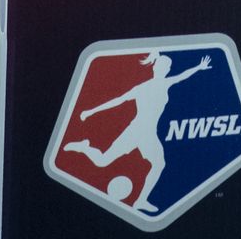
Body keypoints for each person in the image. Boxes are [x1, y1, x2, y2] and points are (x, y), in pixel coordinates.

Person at [64, 51, 213, 214]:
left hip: (149, 134)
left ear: (168, 69)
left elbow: (183, 76)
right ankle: (84, 147)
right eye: (161, 66)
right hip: (135, 130)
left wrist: (199, 67)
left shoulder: (165, 83)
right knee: (102, 162)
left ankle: (140, 200)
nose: (163, 69)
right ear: (156, 68)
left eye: (166, 67)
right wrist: (91, 111)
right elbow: (117, 101)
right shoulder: (143, 87)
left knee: (159, 164)